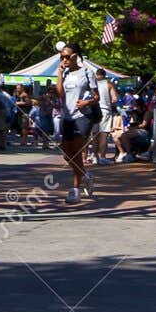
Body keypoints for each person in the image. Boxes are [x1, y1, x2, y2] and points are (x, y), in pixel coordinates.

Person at [55, 43, 100, 203]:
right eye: (62, 57)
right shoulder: (64, 73)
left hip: (82, 117)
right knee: (67, 155)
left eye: (67, 56)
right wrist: (60, 74)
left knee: (76, 153)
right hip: (67, 117)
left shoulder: (87, 72)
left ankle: (75, 190)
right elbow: (60, 94)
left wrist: (86, 103)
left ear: (76, 56)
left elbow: (97, 97)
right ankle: (86, 176)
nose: (64, 59)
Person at [88, 71, 117, 164]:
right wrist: (110, 103)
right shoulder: (109, 84)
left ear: (96, 75)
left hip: (94, 110)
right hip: (105, 111)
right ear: (105, 75)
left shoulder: (92, 84)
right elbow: (115, 99)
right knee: (103, 135)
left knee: (94, 135)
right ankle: (103, 157)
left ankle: (95, 157)